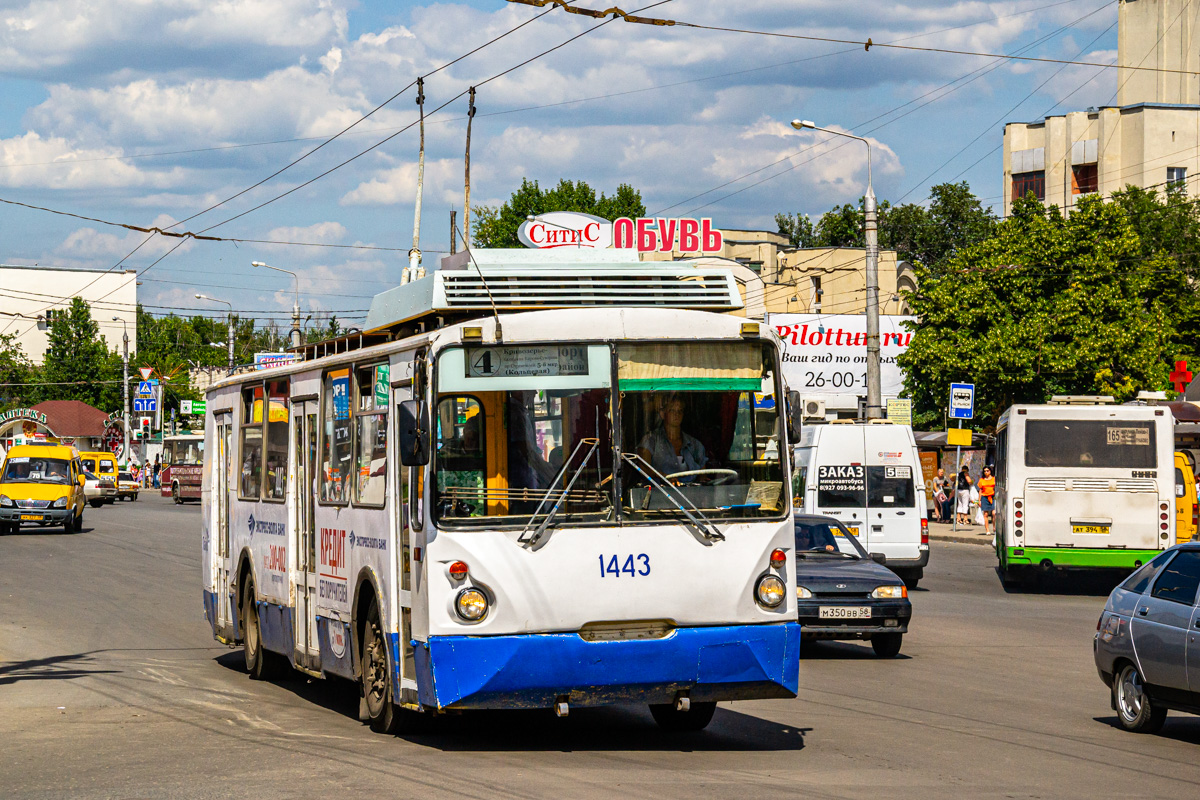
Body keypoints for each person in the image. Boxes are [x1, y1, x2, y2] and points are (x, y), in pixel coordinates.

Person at [638, 395, 706, 478]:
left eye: (680, 410)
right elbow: (643, 468)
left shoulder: (695, 445)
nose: (677, 414)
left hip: (690, 490)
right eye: (672, 410)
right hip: (661, 490)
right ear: (662, 414)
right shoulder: (650, 441)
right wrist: (663, 477)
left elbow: (703, 476)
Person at [978, 465, 996, 534]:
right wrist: (979, 500)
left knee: (994, 513)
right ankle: (987, 530)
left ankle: (994, 527)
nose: (986, 472)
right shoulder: (982, 480)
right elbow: (980, 490)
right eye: (985, 471)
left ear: (990, 471)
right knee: (985, 514)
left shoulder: (994, 479)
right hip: (984, 497)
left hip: (993, 496)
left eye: (987, 471)